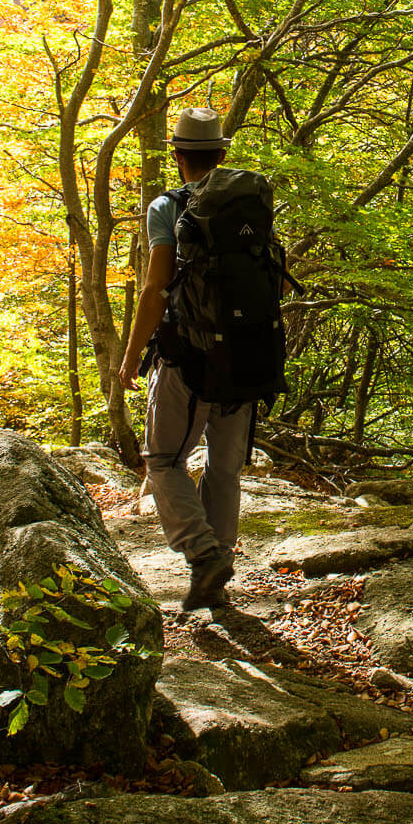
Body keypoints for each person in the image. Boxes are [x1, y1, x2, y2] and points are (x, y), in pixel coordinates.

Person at [117, 107, 252, 611]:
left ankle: (202, 555)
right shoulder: (248, 204)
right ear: (222, 153)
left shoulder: (166, 207)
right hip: (247, 355)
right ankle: (216, 566)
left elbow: (155, 288)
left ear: (177, 155)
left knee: (163, 459)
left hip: (188, 355)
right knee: (223, 468)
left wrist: (132, 355)